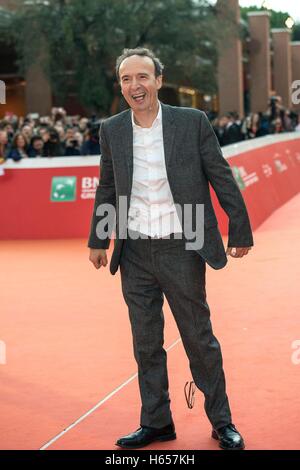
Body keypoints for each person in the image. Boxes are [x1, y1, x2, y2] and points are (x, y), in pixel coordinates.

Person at [88, 48, 253, 450]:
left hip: (184, 241)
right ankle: (156, 422)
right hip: (134, 251)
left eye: (142, 77)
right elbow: (108, 186)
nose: (134, 86)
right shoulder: (111, 129)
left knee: (199, 337)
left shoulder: (191, 121)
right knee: (146, 342)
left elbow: (220, 174)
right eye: (127, 80)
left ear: (159, 81)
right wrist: (99, 238)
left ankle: (222, 421)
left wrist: (240, 228)